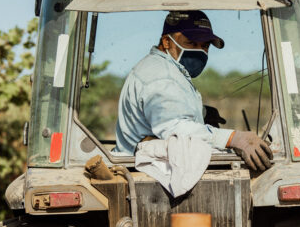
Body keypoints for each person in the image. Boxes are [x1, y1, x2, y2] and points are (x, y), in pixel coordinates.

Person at [115, 10, 272, 171]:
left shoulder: (166, 69)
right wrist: (233, 138)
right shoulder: (162, 76)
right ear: (167, 42)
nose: (200, 51)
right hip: (145, 175)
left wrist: (202, 113)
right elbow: (176, 130)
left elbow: (169, 112)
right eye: (191, 43)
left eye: (205, 46)